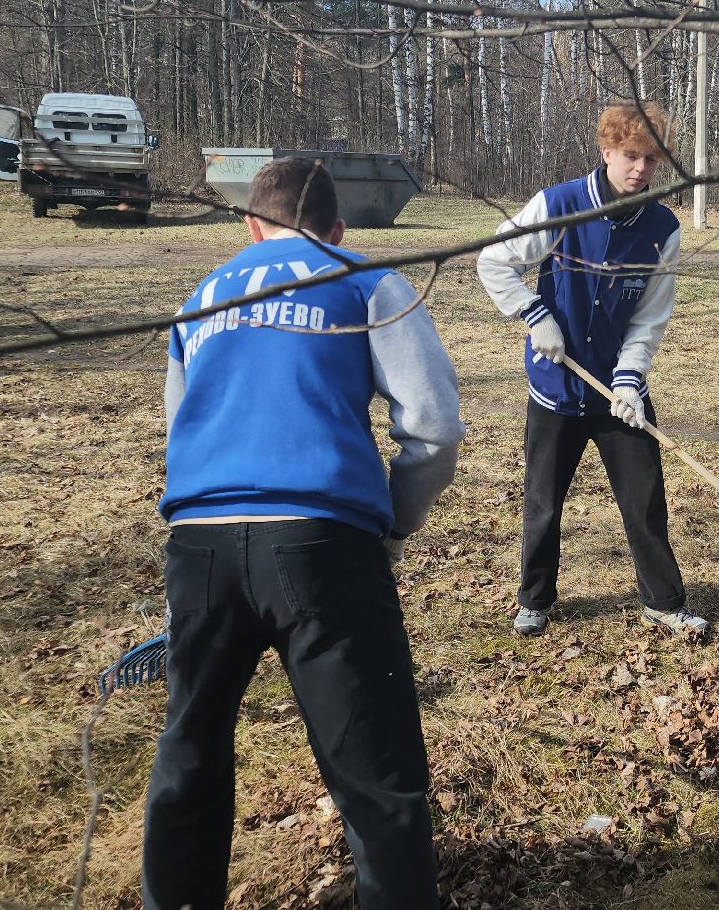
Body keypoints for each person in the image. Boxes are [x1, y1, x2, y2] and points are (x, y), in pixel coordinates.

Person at [146, 157, 462, 910]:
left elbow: (178, 422)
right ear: (338, 227)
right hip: (322, 542)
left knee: (189, 755)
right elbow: (435, 426)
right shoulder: (364, 279)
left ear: (251, 226)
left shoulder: (200, 298)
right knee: (375, 774)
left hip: (201, 545)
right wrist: (390, 526)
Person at [476, 102, 708, 640]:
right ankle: (535, 598)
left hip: (616, 389)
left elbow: (650, 316)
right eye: (631, 156)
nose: (641, 170)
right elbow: (493, 259)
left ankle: (663, 602)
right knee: (543, 499)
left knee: (645, 497)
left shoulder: (661, 229)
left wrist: (630, 376)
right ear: (607, 152)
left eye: (651, 160)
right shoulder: (559, 206)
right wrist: (535, 316)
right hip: (556, 382)